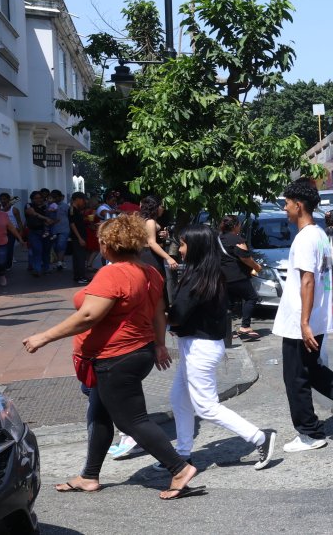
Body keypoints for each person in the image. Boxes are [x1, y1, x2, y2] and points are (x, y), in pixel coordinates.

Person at [21, 214, 202, 500]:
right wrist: (158, 345)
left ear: (108, 244)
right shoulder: (149, 272)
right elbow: (158, 313)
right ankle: (89, 476)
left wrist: (43, 337)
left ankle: (179, 468)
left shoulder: (113, 273)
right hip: (135, 352)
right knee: (100, 412)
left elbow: (89, 315)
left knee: (132, 420)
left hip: (116, 358)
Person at [168, 224, 277, 470]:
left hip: (200, 347)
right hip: (197, 345)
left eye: (183, 245)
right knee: (179, 399)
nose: (180, 250)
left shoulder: (197, 277)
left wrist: (156, 313)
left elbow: (177, 315)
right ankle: (182, 455)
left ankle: (259, 437)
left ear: (195, 247)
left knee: (206, 407)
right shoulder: (207, 272)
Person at [274, 180, 333, 452]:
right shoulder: (320, 234)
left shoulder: (305, 238)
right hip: (315, 317)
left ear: (298, 205)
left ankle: (310, 433)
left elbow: (308, 280)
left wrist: (304, 322)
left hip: (303, 321)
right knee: (310, 371)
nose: (285, 209)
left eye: (287, 204)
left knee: (295, 378)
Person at [218, 216, 263, 341]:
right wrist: (257, 267)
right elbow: (245, 257)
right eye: (239, 225)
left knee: (229, 303)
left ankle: (224, 330)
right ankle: (245, 326)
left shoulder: (218, 239)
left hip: (222, 276)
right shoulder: (237, 240)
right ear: (235, 226)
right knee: (251, 297)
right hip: (237, 276)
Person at [24, 190, 55, 276]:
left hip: (46, 231)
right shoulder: (28, 206)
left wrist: (51, 220)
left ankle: (46, 268)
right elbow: (32, 213)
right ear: (32, 199)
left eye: (40, 198)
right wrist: (45, 218)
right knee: (37, 250)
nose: (38, 200)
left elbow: (53, 218)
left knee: (46, 250)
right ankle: (37, 269)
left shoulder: (47, 207)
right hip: (34, 232)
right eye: (36, 198)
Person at [67, 192, 91, 285]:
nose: (83, 202)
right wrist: (79, 238)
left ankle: (79, 275)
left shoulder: (77, 210)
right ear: (77, 199)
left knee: (79, 257)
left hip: (80, 235)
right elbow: (72, 224)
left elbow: (78, 222)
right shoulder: (72, 209)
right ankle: (80, 276)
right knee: (80, 257)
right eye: (82, 200)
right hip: (78, 237)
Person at [0, 193, 23, 276]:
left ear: (8, 200)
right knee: (1, 249)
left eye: (5, 199)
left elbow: (19, 221)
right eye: (1, 199)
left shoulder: (14, 210)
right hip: (1, 231)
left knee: (9, 249)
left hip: (12, 231)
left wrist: (20, 233)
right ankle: (2, 264)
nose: (3, 201)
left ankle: (8, 264)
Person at [50, 190, 71, 271]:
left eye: (56, 197)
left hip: (64, 229)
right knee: (55, 246)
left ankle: (59, 262)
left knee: (61, 244)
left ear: (60, 197)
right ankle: (60, 260)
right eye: (53, 197)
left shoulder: (65, 206)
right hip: (53, 229)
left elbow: (69, 217)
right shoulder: (50, 206)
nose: (54, 199)